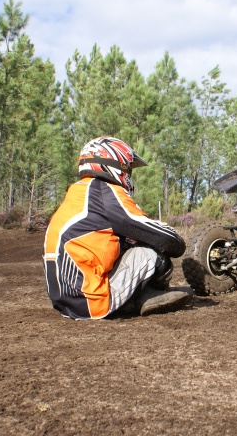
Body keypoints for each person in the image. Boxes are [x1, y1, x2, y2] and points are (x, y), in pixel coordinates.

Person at [44, 137, 192, 319]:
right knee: (157, 254)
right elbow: (160, 236)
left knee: (125, 242)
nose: (129, 175)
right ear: (115, 164)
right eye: (128, 169)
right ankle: (145, 297)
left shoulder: (78, 193)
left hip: (66, 303)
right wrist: (176, 239)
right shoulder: (104, 190)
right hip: (92, 302)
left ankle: (132, 296)